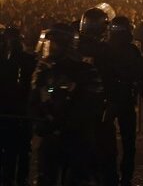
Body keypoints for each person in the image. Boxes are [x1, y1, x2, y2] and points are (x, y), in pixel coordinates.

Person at [32, 23, 105, 185]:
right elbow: (35, 98)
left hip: (76, 135)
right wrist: (41, 119)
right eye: (49, 43)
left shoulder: (85, 71)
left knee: (78, 177)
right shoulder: (44, 70)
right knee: (45, 176)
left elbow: (91, 104)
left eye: (54, 43)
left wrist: (68, 121)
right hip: (50, 133)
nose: (50, 47)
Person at [106, 16, 143, 186]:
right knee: (127, 142)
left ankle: (111, 176)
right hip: (124, 99)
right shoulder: (131, 50)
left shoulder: (105, 49)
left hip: (110, 100)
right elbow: (139, 76)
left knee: (108, 141)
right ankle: (125, 177)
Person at [78, 6, 120, 186]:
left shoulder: (74, 47)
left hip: (78, 110)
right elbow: (112, 79)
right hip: (97, 108)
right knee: (105, 153)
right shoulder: (105, 50)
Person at [0, 26, 37, 186]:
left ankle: (13, 178)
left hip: (16, 112)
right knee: (18, 151)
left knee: (15, 150)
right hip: (17, 112)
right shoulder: (27, 60)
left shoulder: (19, 60)